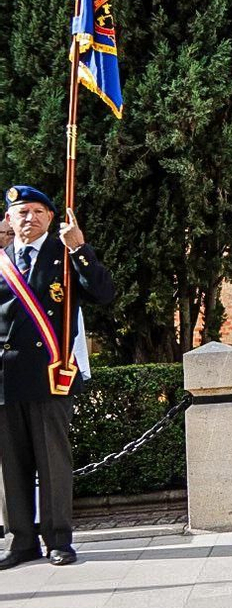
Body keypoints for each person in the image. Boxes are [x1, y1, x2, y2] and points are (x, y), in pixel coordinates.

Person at [0, 186, 116, 569]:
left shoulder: (64, 256)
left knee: (52, 463)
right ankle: (21, 540)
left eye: (36, 211)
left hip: (51, 375)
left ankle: (58, 539)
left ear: (51, 217)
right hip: (6, 378)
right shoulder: (2, 261)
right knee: (12, 465)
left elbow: (103, 293)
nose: (28, 218)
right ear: (8, 220)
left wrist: (80, 248)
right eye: (21, 212)